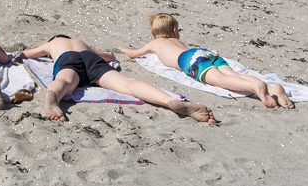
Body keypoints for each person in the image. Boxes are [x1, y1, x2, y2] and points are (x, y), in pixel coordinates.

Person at [21, 35, 216, 123]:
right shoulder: (81, 42)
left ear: (53, 39)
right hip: (91, 58)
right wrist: (103, 55)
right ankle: (169, 100)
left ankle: (52, 97)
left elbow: (26, 54)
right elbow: (109, 57)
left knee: (65, 82)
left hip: (68, 59)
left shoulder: (53, 44)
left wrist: (40, 54)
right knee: (126, 84)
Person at [118, 13, 294, 109]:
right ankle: (271, 87)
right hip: (201, 52)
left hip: (187, 59)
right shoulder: (177, 40)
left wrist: (124, 50)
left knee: (221, 81)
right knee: (232, 74)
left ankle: (257, 89)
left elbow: (135, 54)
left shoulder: (155, 43)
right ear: (174, 31)